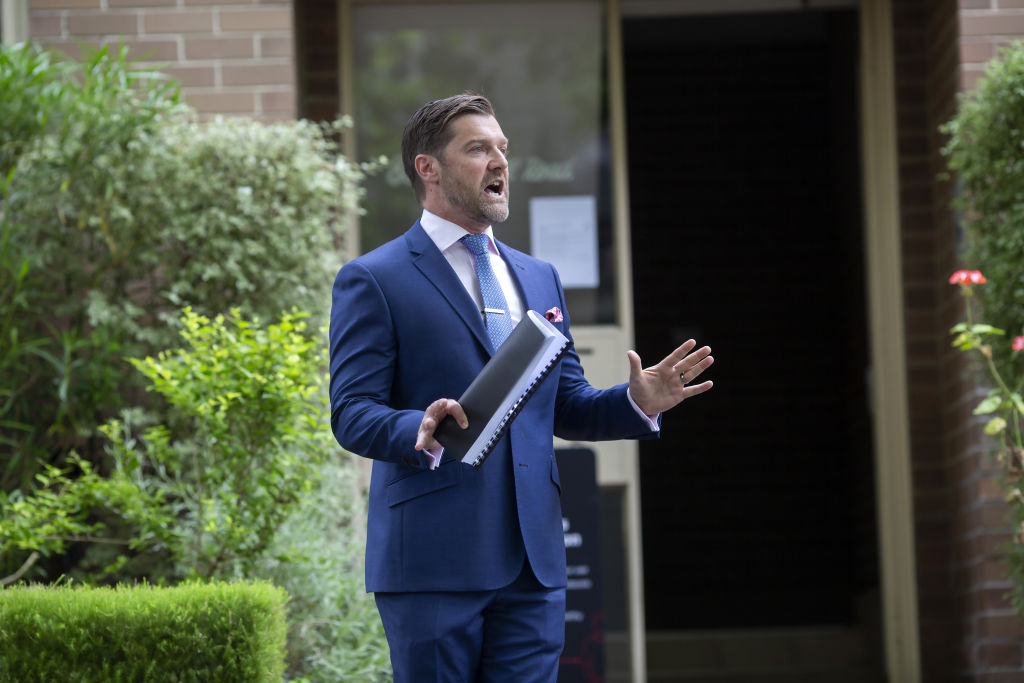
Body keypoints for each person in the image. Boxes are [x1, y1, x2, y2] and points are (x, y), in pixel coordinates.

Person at [328, 92, 713, 682]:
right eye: (478, 149)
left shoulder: (539, 277)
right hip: (433, 561)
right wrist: (419, 428)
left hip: (533, 565)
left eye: (502, 148)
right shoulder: (374, 278)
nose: (500, 162)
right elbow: (352, 411)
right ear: (427, 168)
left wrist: (638, 401)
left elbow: (566, 405)